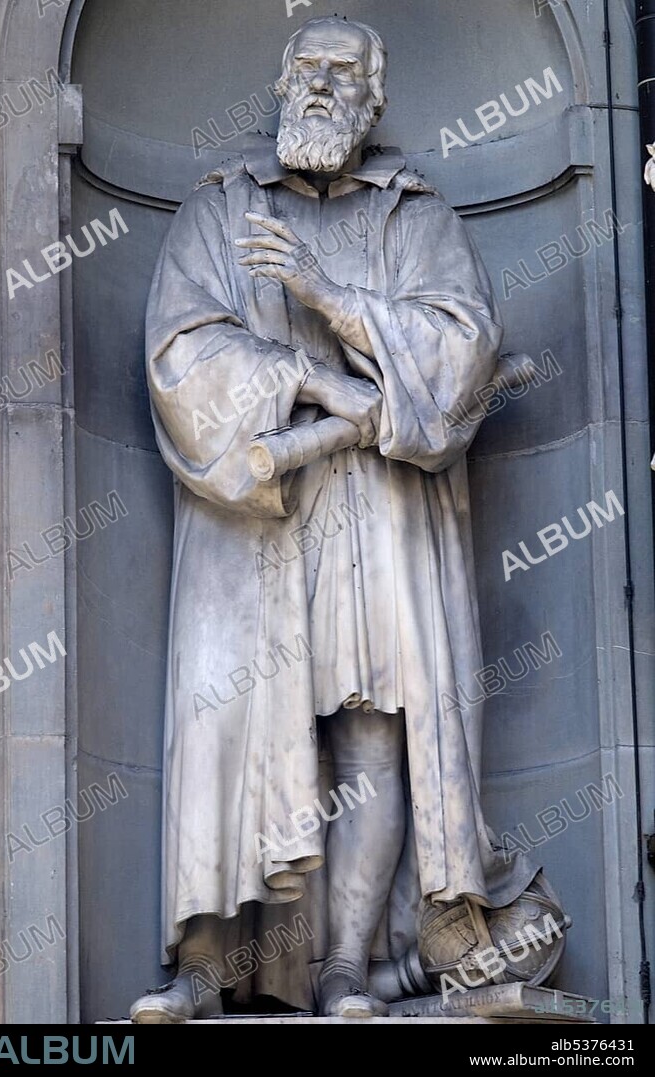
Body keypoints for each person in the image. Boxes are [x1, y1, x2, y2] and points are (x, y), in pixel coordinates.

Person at [130, 15, 535, 1023]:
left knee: (371, 734)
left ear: (374, 96)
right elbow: (182, 359)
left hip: (380, 507)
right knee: (231, 726)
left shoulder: (417, 217)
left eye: (341, 72)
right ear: (278, 83)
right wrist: (317, 383)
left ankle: (349, 971)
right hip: (256, 517)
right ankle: (206, 969)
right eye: (304, 68)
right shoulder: (217, 214)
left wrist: (327, 295)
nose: (318, 86)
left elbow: (458, 352)